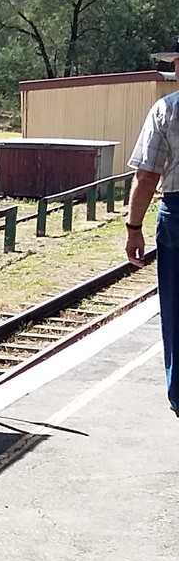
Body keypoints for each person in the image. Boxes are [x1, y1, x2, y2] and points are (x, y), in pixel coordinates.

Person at [126, 58, 179, 415]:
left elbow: (146, 176)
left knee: (175, 308)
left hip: (177, 211)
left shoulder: (166, 110)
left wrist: (134, 229)